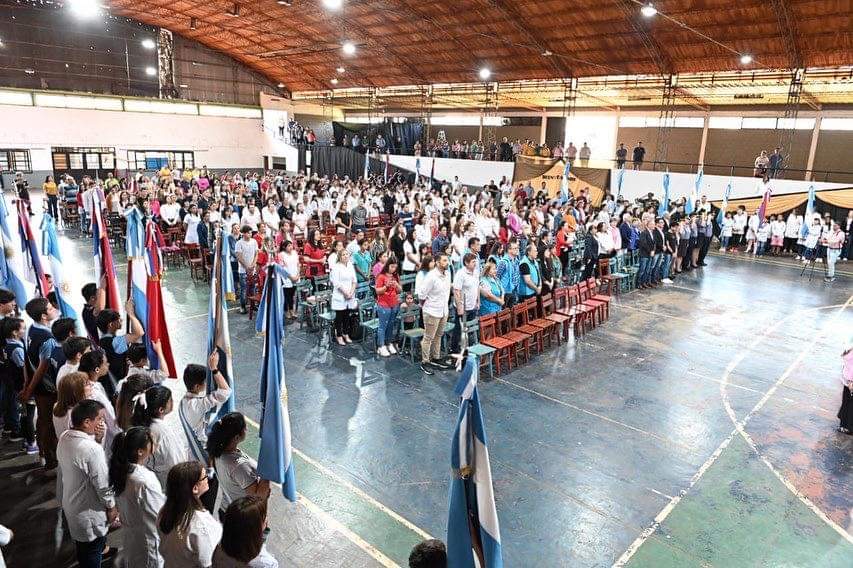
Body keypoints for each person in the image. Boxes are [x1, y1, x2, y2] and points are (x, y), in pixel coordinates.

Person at [56, 400, 117, 568]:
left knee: (85, 547)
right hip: (89, 511)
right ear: (87, 422)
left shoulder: (65, 437)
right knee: (90, 551)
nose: (102, 422)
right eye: (100, 419)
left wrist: (98, 439)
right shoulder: (91, 449)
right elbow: (102, 483)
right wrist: (111, 506)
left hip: (72, 504)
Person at [110, 427, 166, 568]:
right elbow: (159, 515)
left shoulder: (122, 471)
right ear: (140, 451)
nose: (154, 443)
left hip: (132, 537)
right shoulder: (144, 480)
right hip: (148, 541)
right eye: (150, 442)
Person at [158, 461, 222, 568]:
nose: (207, 478)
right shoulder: (200, 524)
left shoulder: (165, 511)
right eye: (204, 477)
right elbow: (208, 562)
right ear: (195, 488)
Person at [207, 413, 270, 513]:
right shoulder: (238, 466)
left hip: (229, 507)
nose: (247, 429)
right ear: (236, 437)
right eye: (245, 427)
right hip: (246, 518)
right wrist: (267, 472)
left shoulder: (218, 451)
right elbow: (257, 498)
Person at [133, 385, 190, 489]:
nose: (173, 402)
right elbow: (176, 461)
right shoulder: (162, 431)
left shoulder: (145, 423)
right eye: (170, 400)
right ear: (161, 409)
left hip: (157, 478)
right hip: (169, 482)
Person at [95, 299, 144, 399]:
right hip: (116, 386)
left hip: (107, 385)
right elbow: (139, 333)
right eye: (118, 319)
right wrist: (131, 313)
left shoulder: (101, 340)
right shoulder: (115, 342)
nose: (121, 320)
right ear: (111, 324)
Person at [213, 496, 279, 568]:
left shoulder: (215, 538)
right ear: (256, 527)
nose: (267, 519)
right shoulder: (266, 563)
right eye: (264, 518)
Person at [418, 253, 452, 376]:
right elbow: (421, 294)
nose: (447, 262)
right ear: (437, 263)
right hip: (432, 311)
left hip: (443, 310)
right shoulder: (431, 277)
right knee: (428, 337)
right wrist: (429, 304)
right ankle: (425, 361)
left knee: (439, 335)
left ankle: (436, 358)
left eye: (447, 260)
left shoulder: (447, 274)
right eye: (444, 261)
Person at [450, 253, 480, 355]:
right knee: (459, 328)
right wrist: (459, 306)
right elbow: (456, 290)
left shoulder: (476, 272)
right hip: (463, 306)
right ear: (466, 263)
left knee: (470, 328)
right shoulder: (460, 274)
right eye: (473, 262)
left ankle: (467, 347)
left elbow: (477, 288)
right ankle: (454, 348)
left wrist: (477, 301)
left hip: (472, 305)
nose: (475, 264)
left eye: (475, 261)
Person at [374, 256, 402, 357]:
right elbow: (377, 291)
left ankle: (388, 343)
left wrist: (396, 285)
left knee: (391, 325)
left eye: (395, 267)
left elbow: (399, 290)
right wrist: (386, 286)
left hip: (393, 303)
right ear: (387, 265)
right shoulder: (381, 276)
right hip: (383, 304)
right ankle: (381, 346)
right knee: (383, 326)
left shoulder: (396, 276)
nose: (393, 269)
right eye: (391, 267)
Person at [330, 248, 358, 346]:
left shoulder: (350, 265)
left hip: (350, 294)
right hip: (340, 295)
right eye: (343, 255)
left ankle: (346, 334)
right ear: (340, 257)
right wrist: (346, 293)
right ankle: (339, 335)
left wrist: (351, 292)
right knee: (339, 317)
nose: (346, 256)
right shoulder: (336, 267)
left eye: (347, 254)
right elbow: (336, 283)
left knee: (347, 315)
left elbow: (354, 280)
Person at [235, 226, 259, 314]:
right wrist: (246, 267)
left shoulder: (254, 241)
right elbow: (239, 256)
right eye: (248, 232)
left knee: (253, 288)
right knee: (244, 289)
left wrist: (253, 265)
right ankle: (242, 306)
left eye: (251, 232)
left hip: (253, 269)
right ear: (243, 233)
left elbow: (256, 254)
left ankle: (253, 305)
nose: (250, 234)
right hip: (243, 270)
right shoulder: (239, 243)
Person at [837, 336, 853, 434]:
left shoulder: (848, 350)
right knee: (849, 405)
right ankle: (848, 427)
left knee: (847, 403)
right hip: (850, 382)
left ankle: (844, 425)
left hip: (847, 381)